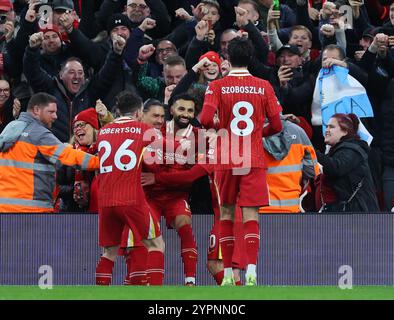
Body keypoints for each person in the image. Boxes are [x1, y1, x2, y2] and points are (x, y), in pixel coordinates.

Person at [200, 37, 283, 286]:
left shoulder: (217, 86)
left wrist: (220, 126)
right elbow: (277, 125)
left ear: (227, 59)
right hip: (253, 158)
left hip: (226, 158)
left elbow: (204, 120)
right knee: (251, 217)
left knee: (226, 214)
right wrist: (257, 134)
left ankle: (227, 273)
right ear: (251, 59)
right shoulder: (264, 85)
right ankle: (252, 271)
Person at [95, 92, 166, 286]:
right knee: (156, 244)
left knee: (109, 252)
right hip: (131, 198)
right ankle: (157, 295)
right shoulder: (144, 129)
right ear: (138, 112)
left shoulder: (104, 131)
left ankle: (99, 295)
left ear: (118, 111)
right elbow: (159, 159)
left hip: (106, 200)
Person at [0, 92, 99, 213]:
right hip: (31, 210)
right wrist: (101, 162)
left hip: (4, 208)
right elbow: (69, 156)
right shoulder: (39, 134)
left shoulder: (10, 128)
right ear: (36, 110)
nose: (56, 116)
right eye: (51, 112)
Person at [316, 113, 380, 212]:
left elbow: (336, 167)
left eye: (331, 127)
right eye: (326, 127)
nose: (327, 130)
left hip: (359, 215)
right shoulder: (338, 151)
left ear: (345, 131)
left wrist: (313, 152)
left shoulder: (352, 150)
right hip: (348, 213)